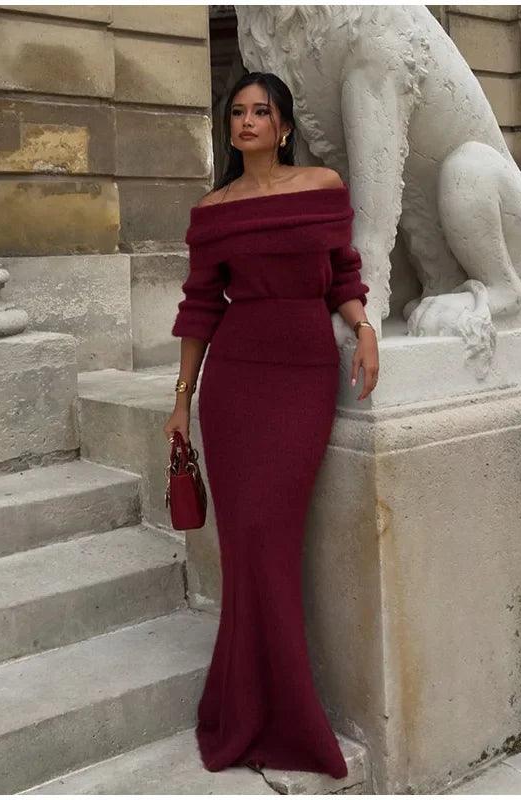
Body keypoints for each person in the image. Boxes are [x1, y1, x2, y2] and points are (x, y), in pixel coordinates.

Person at [163, 71, 379, 779]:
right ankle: (253, 708)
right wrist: (182, 398)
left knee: (270, 537)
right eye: (238, 112)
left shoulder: (320, 185)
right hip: (235, 382)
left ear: (285, 127)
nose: (248, 121)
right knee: (246, 542)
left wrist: (364, 327)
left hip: (303, 376)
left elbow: (343, 271)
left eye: (262, 111)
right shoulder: (213, 209)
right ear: (228, 127)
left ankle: (277, 712)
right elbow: (201, 306)